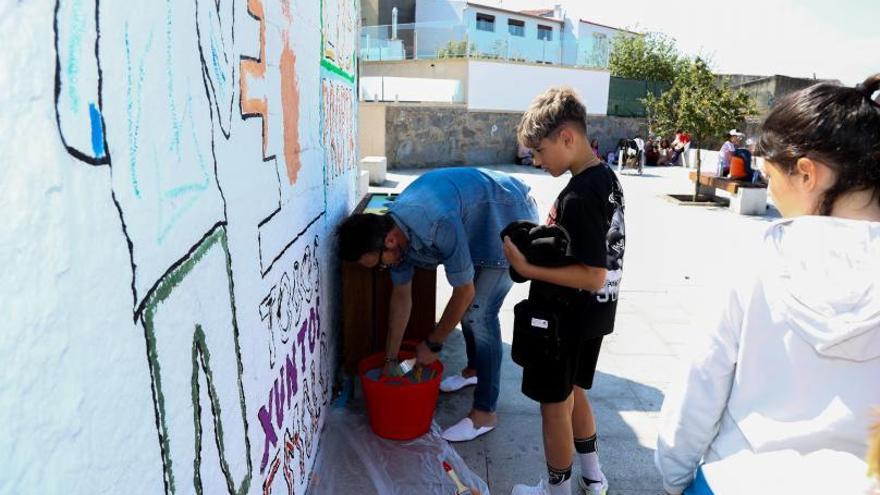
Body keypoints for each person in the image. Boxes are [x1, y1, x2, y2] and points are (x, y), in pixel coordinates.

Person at [655, 74, 880, 495]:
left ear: (807, 173)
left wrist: (675, 479)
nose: (772, 195)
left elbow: (699, 385)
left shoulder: (753, 259)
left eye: (771, 177)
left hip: (740, 479)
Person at [337, 167, 539, 442]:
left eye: (382, 264)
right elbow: (401, 296)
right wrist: (390, 358)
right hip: (474, 220)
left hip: (508, 216)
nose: (387, 268)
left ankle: (485, 413)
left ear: (390, 241)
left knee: (478, 313)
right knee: (469, 312)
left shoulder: (435, 223)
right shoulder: (396, 236)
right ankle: (474, 370)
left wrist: (433, 343)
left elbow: (463, 291)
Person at [505, 87, 625, 495]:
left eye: (539, 151)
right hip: (591, 317)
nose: (536, 161)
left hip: (564, 322)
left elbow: (592, 274)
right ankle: (594, 478)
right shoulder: (604, 177)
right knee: (575, 392)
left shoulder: (579, 194)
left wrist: (525, 266)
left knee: (554, 409)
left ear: (567, 138)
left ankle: (556, 490)